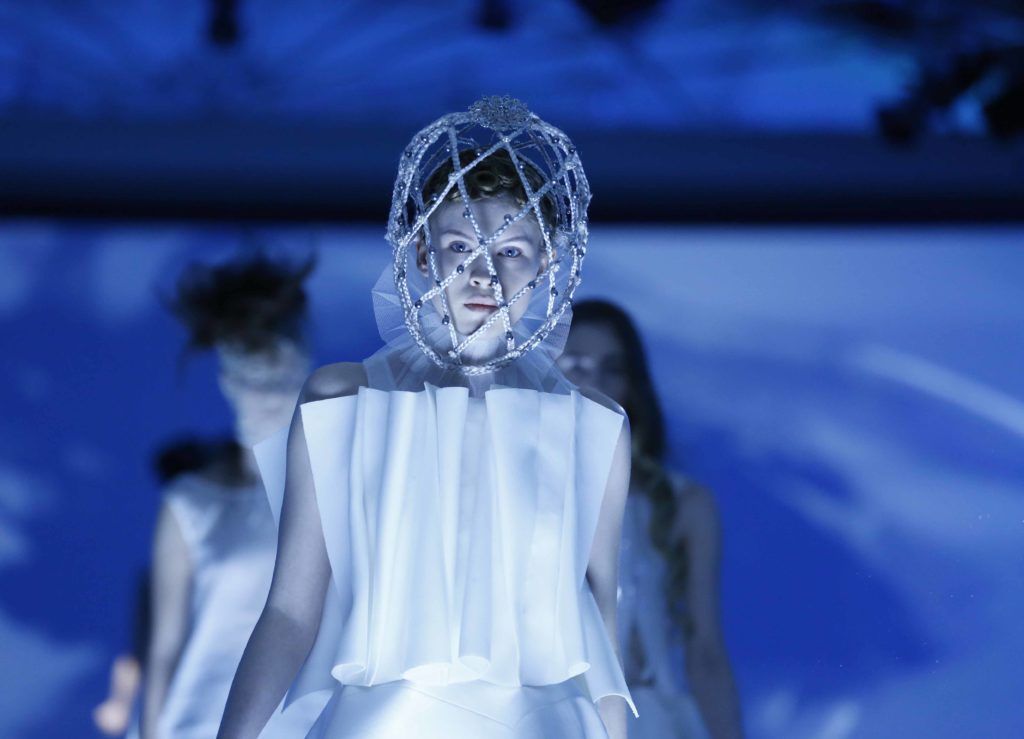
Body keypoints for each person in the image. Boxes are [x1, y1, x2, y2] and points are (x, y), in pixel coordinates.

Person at [217, 96, 635, 739]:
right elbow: (291, 609)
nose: (484, 274)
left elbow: (599, 622)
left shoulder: (594, 425)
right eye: (461, 244)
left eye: (514, 251)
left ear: (549, 264)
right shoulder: (341, 403)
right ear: (422, 255)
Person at [139, 253, 320, 739]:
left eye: (277, 379)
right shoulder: (192, 503)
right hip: (200, 723)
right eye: (248, 378)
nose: (264, 395)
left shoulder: (344, 489)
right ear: (225, 379)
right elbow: (164, 648)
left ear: (303, 367)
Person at [558, 300, 743, 739]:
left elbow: (706, 653)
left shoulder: (684, 504)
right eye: (577, 365)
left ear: (633, 383)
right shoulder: (506, 492)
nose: (596, 382)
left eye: (613, 368)